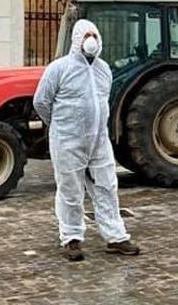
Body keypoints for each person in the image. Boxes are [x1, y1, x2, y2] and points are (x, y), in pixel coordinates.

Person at [33, 19, 140, 261]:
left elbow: (102, 101)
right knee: (70, 189)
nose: (90, 39)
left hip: (99, 139)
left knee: (107, 186)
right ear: (76, 39)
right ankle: (71, 238)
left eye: (94, 34)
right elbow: (41, 102)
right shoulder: (59, 68)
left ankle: (116, 237)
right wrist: (60, 125)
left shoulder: (104, 69)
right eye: (85, 35)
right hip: (67, 140)